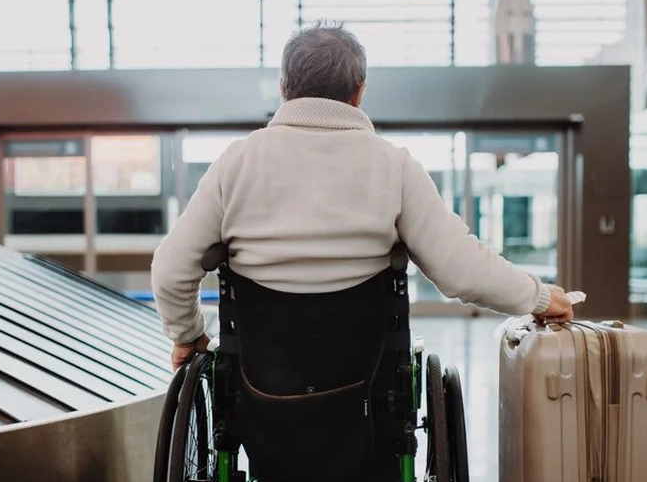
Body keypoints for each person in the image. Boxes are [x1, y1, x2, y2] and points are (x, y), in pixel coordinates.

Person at [152, 23, 574, 370]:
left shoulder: (236, 163)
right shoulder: (394, 166)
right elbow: (460, 269)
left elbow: (171, 269)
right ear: (359, 91)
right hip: (365, 392)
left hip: (259, 392)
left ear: (284, 89)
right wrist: (537, 295)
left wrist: (189, 335)